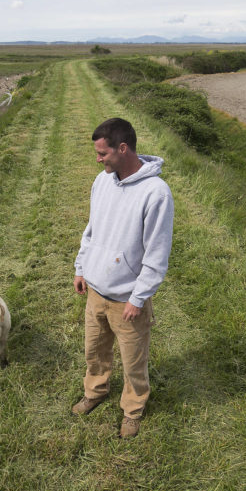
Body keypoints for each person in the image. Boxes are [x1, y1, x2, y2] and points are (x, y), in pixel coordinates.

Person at [72, 118, 174, 438]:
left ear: (123, 148)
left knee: (133, 362)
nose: (98, 159)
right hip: (95, 290)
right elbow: (92, 231)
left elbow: (157, 254)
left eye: (102, 153)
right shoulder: (102, 181)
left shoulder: (156, 193)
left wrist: (138, 297)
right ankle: (96, 391)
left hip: (127, 300)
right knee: (95, 351)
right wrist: (81, 267)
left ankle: (132, 409)